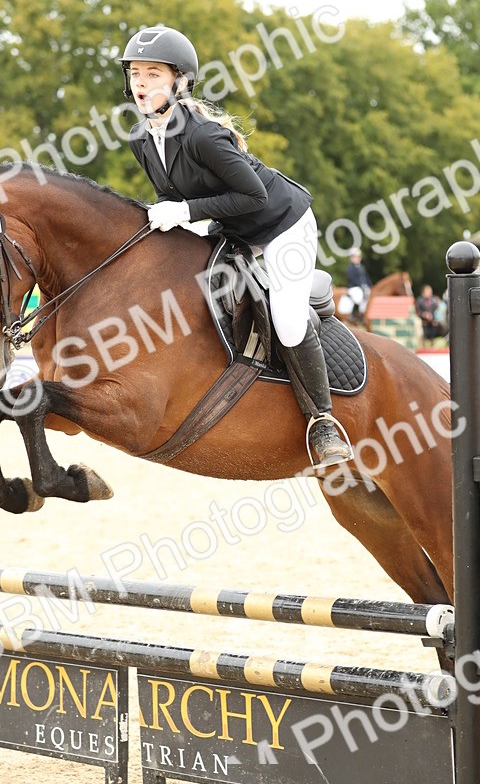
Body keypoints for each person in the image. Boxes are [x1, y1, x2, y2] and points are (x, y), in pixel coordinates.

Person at [120, 24, 353, 471]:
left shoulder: (203, 135)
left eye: (153, 74)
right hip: (233, 230)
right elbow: (173, 196)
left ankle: (323, 422)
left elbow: (255, 198)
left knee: (285, 323)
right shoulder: (141, 139)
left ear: (180, 81)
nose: (141, 84)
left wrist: (186, 213)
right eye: (135, 74)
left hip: (283, 226)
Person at [346, 250, 371, 323]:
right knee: (358, 297)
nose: (357, 258)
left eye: (358, 257)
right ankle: (353, 314)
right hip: (354, 287)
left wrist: (369, 285)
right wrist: (361, 285)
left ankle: (363, 314)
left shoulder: (362, 267)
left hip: (363, 286)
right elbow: (352, 278)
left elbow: (366, 277)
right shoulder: (350, 267)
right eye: (355, 257)